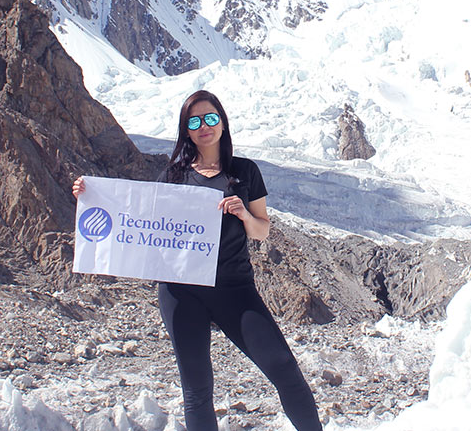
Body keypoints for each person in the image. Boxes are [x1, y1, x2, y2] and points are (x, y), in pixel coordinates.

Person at [72, 90, 323, 431]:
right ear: (186, 130)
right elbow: (140, 219)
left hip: (233, 288)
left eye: (209, 118)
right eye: (194, 121)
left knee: (284, 369)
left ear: (222, 122)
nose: (203, 126)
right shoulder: (173, 175)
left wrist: (244, 215)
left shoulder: (245, 172)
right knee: (197, 390)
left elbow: (262, 230)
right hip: (181, 292)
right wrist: (91, 196)